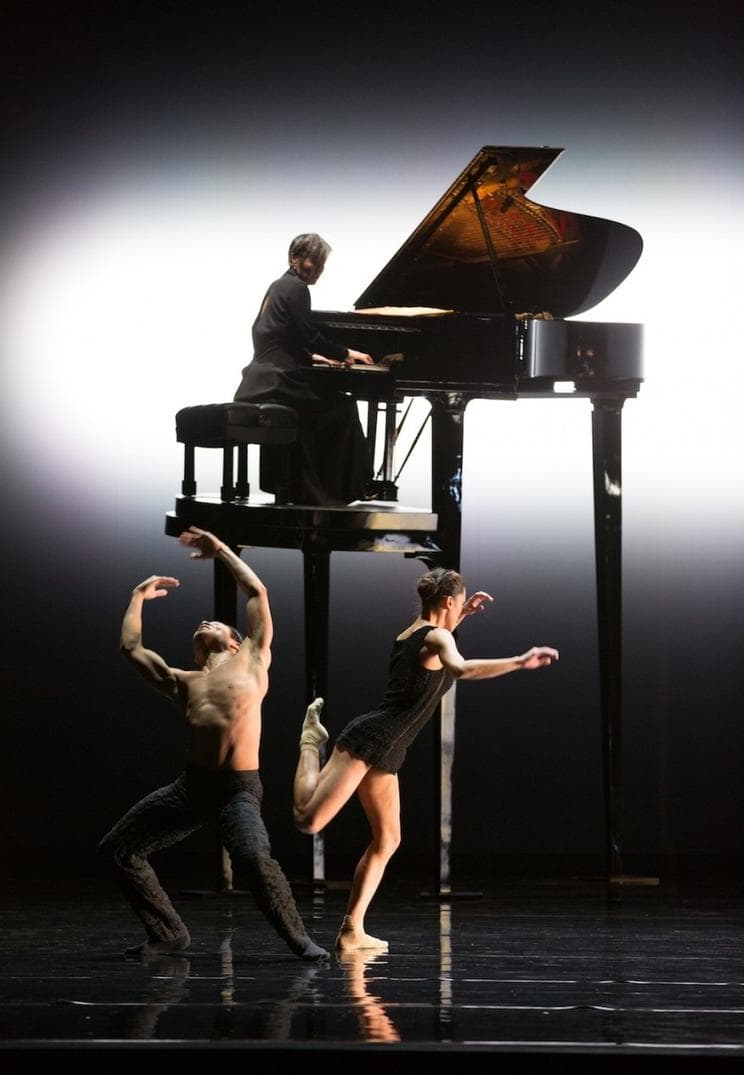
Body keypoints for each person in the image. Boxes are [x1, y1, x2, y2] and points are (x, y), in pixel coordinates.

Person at [292, 567, 559, 952]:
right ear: (448, 601)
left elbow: (438, 642)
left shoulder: (417, 633)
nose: (461, 610)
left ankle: (352, 930)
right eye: (458, 604)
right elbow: (460, 668)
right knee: (308, 820)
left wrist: (463, 614)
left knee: (388, 839)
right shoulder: (435, 638)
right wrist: (520, 660)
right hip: (371, 738)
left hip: (389, 748)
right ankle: (309, 740)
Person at [98, 525, 329, 963]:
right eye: (201, 625)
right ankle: (169, 933)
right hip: (192, 788)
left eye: (217, 623)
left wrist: (220, 549)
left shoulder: (253, 658)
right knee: (118, 849)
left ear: (235, 641)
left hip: (238, 791)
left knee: (253, 857)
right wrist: (137, 596)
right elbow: (131, 647)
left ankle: (298, 939)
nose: (204, 622)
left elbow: (256, 592)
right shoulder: (183, 682)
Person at [233, 232, 375, 506]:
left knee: (321, 409)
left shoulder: (278, 286)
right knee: (343, 407)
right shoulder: (297, 288)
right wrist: (347, 353)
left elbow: (278, 337)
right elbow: (309, 336)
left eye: (322, 264)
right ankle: (337, 491)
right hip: (279, 383)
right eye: (314, 262)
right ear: (294, 259)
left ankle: (304, 488)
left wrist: (316, 358)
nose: (318, 269)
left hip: (259, 381)